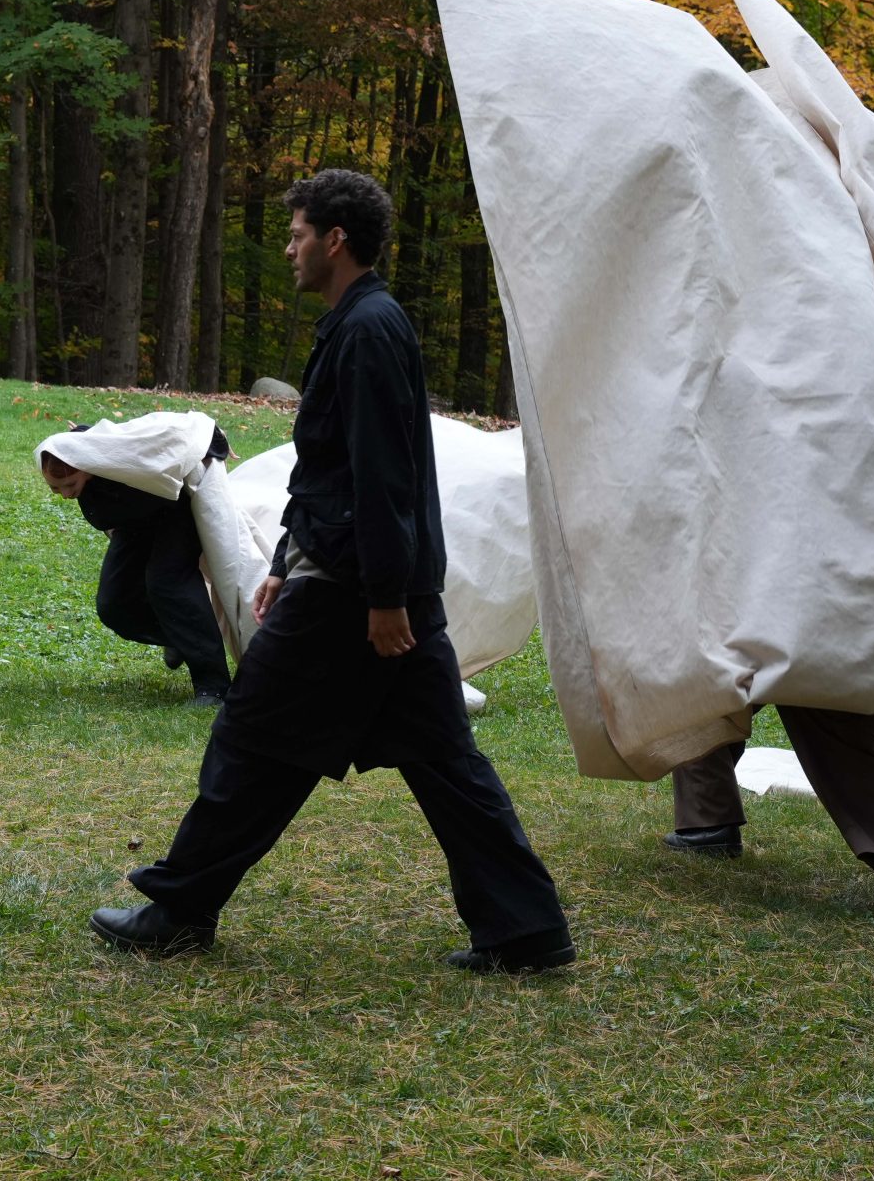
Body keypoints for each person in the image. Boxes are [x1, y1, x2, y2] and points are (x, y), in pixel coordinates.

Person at [92, 170, 577, 973]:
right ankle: (527, 930)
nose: (288, 248)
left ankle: (179, 906)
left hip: (358, 597)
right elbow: (328, 472)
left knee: (252, 737)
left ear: (336, 240)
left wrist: (384, 597)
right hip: (357, 584)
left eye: (297, 234)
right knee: (443, 763)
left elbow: (384, 475)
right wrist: (289, 559)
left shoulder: (368, 331)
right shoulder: (357, 325)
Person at [665, 710, 874, 925]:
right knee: (860, 749)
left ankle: (709, 822)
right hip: (841, 644)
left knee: (702, 699)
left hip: (759, 638)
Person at [40, 428, 234, 705]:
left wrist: (213, 440)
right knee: (113, 605)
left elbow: (173, 434)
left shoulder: (122, 453)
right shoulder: (84, 461)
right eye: (55, 488)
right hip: (134, 527)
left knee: (167, 583)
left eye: (70, 485)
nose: (64, 495)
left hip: (175, 512)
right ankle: (178, 637)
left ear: (86, 466)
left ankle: (213, 688)